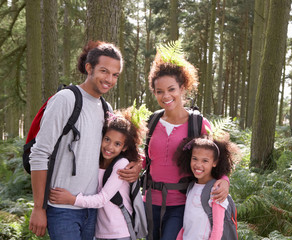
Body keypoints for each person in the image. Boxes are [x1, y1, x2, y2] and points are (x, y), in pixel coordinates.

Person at [29, 41, 140, 240]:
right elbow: (39, 154)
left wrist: (135, 166)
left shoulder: (106, 109)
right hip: (62, 209)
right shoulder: (65, 99)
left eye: (115, 75)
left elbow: (111, 154)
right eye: (104, 71)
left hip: (92, 210)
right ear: (89, 68)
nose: (109, 79)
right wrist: (39, 207)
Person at [118, 41, 230, 240]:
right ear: (154, 92)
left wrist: (224, 181)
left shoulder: (199, 124)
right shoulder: (151, 122)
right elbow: (149, 156)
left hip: (181, 204)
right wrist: (137, 164)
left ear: (182, 88)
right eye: (159, 91)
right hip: (149, 202)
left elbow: (218, 158)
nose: (166, 96)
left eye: (171, 89)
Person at [48, 108, 145, 240]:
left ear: (124, 147)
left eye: (117, 144)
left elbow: (102, 199)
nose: (109, 147)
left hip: (120, 232)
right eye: (107, 139)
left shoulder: (121, 164)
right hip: (100, 232)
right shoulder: (95, 161)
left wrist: (72, 200)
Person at [175, 135, 236, 240]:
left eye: (205, 161)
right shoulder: (191, 188)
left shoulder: (216, 190)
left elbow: (218, 228)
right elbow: (187, 224)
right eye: (195, 159)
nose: (198, 164)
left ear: (215, 163)